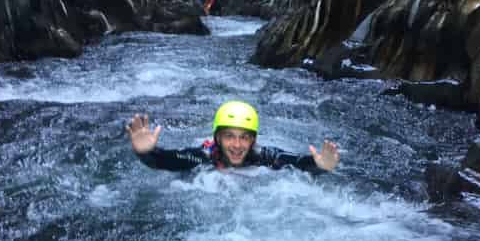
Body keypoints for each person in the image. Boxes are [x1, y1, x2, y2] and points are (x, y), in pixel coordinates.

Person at [126, 101, 341, 174]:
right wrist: (145, 152)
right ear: (217, 138)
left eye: (244, 137)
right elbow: (163, 161)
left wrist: (320, 166)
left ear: (253, 140)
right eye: (229, 136)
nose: (237, 145)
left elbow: (299, 163)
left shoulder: (265, 157)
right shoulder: (203, 156)